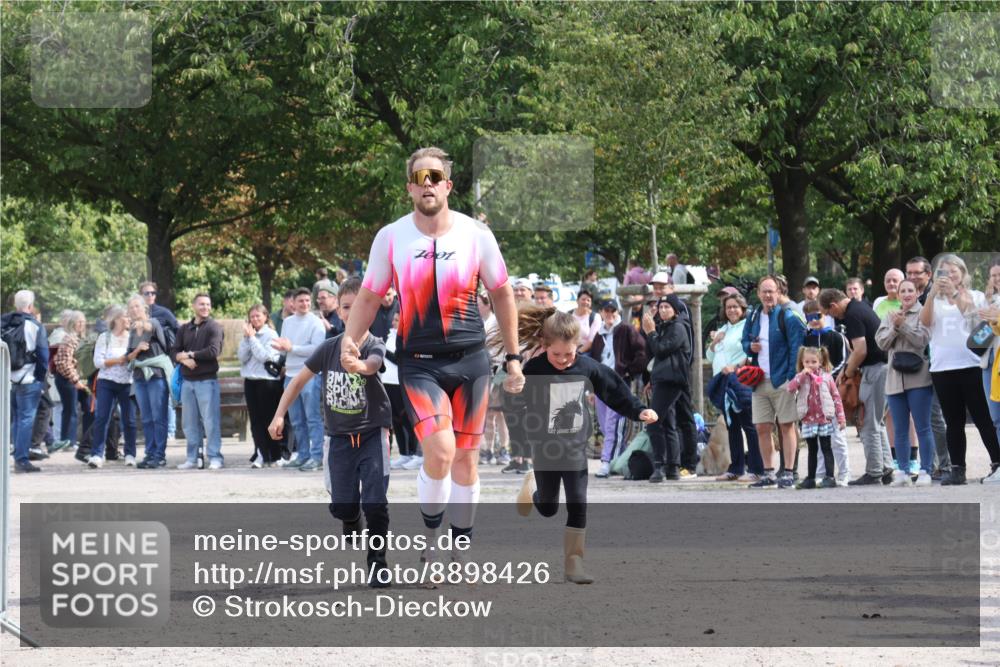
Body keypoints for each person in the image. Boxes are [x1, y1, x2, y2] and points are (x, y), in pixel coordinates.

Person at [342, 146, 524, 565]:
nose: (428, 185)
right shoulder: (391, 236)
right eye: (419, 179)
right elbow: (369, 296)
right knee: (440, 452)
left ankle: (460, 550)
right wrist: (349, 342)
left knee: (466, 462)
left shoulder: (476, 234)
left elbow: (501, 294)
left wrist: (513, 356)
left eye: (435, 178)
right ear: (409, 188)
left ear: (448, 186)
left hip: (471, 360)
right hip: (420, 362)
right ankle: (431, 541)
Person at [504, 307, 656, 583]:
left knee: (578, 502)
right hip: (545, 450)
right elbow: (516, 406)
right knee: (548, 508)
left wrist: (638, 410)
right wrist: (511, 392)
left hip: (574, 448)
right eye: (556, 354)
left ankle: (574, 562)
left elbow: (614, 390)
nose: (563, 360)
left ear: (578, 346)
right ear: (544, 345)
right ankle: (532, 489)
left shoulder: (587, 367)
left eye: (569, 354)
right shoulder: (534, 369)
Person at [268, 301, 393, 587]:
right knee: (342, 506)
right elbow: (297, 381)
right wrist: (279, 414)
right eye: (347, 306)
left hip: (372, 435)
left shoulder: (374, 344)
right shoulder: (328, 348)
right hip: (338, 439)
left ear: (370, 311)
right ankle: (351, 516)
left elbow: (374, 364)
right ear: (339, 312)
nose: (353, 312)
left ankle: (378, 563)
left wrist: (359, 365)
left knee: (375, 503)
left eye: (360, 305)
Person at [919, 254, 1000, 484]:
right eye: (944, 272)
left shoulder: (975, 296)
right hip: (942, 366)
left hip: (971, 364)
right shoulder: (934, 299)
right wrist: (931, 294)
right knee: (952, 421)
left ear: (963, 273)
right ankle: (957, 468)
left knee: (983, 418)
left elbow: (975, 321)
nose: (949, 276)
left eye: (953, 271)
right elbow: (925, 322)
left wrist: (954, 294)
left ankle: (997, 462)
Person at [819, 288, 893, 485]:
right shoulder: (860, 307)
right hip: (883, 367)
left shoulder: (852, 315)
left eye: (829, 313)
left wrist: (848, 373)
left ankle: (874, 472)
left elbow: (860, 350)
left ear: (833, 305)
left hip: (875, 369)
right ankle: (886, 468)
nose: (832, 317)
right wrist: (846, 369)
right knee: (878, 422)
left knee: (868, 422)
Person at [741, 275, 807, 489]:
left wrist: (791, 377)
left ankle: (788, 472)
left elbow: (797, 348)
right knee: (762, 427)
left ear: (779, 293)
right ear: (758, 293)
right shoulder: (753, 316)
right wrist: (750, 347)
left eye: (771, 291)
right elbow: (744, 340)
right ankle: (768, 473)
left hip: (782, 380)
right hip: (759, 380)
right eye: (764, 291)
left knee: (786, 425)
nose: (768, 295)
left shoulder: (787, 316)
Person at [875, 279, 935, 486]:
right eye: (903, 291)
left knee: (922, 427)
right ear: (898, 294)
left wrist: (903, 327)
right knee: (899, 429)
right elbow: (881, 343)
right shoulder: (889, 315)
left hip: (919, 379)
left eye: (911, 290)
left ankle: (926, 470)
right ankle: (902, 471)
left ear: (917, 293)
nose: (907, 294)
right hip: (894, 380)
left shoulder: (924, 313)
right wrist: (895, 327)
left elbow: (922, 340)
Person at [706, 293, 762, 482]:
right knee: (732, 426)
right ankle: (736, 468)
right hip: (722, 382)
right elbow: (710, 356)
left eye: (735, 307)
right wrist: (715, 342)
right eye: (728, 307)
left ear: (742, 308)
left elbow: (751, 353)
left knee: (748, 424)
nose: (731, 310)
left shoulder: (747, 327)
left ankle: (756, 469)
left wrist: (736, 367)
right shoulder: (724, 328)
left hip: (740, 381)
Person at [589, 299, 649, 477]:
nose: (609, 314)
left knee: (613, 425)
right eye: (606, 311)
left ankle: (607, 462)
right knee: (604, 425)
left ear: (618, 312)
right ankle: (619, 460)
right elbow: (593, 361)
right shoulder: (599, 335)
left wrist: (629, 372)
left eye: (612, 311)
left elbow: (642, 352)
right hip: (600, 384)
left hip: (618, 383)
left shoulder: (626, 329)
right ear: (601, 313)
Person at [906, 255, 951, 478]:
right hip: (919, 364)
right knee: (924, 418)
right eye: (909, 273)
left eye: (917, 273)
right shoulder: (910, 296)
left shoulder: (940, 294)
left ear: (929, 274)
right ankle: (931, 465)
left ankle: (946, 464)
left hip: (939, 362)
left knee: (936, 416)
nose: (913, 277)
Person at [273, 287, 326, 471]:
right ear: (293, 303)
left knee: (313, 418)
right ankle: (303, 455)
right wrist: (280, 348)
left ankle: (317, 456)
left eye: (307, 301)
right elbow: (285, 345)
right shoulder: (287, 322)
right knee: (296, 420)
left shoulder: (316, 322)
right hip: (290, 375)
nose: (305, 304)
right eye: (301, 301)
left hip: (309, 375)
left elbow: (317, 349)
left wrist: (292, 348)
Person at [801, 300, 852, 486]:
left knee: (837, 438)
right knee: (818, 439)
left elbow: (844, 361)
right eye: (809, 317)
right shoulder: (806, 339)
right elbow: (802, 364)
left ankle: (844, 473)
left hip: (831, 393)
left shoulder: (836, 337)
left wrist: (826, 378)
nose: (814, 320)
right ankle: (821, 474)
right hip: (813, 400)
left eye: (817, 315)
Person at [173, 293, 225, 470]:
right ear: (194, 306)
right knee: (189, 424)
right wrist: (183, 360)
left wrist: (190, 354)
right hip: (187, 382)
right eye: (202, 304)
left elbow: (213, 351)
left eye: (208, 304)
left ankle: (215, 457)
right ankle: (192, 458)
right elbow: (174, 351)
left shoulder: (214, 327)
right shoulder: (184, 328)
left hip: (207, 382)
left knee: (210, 422)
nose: (205, 307)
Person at [643, 295, 692, 482]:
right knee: (668, 423)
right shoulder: (664, 326)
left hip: (671, 380)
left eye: (667, 307)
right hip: (662, 379)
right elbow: (656, 356)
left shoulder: (678, 327)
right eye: (661, 307)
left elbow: (661, 349)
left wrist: (651, 332)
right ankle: (673, 467)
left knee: (652, 421)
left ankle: (659, 465)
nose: (663, 310)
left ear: (675, 310)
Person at [785, 347, 846, 489]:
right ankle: (811, 478)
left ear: (820, 362)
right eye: (807, 362)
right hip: (808, 419)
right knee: (812, 449)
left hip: (824, 418)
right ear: (802, 362)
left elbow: (836, 397)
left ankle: (830, 477)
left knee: (826, 447)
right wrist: (801, 375)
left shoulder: (827, 377)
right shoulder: (801, 377)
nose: (810, 365)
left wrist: (841, 418)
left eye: (813, 362)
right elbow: (790, 389)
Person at [88, 305, 138, 468]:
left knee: (129, 420)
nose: (129, 319)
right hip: (107, 382)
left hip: (128, 383)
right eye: (126, 316)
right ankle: (97, 454)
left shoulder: (133, 337)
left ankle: (130, 454)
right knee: (102, 417)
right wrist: (121, 360)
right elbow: (98, 362)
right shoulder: (105, 337)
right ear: (116, 319)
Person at [4, 290, 49, 473]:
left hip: (9, 379)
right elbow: (43, 356)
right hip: (29, 378)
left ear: (15, 305)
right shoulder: (35, 326)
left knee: (17, 419)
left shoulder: (5, 323)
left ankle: (17, 456)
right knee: (25, 420)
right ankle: (21, 460)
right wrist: (39, 379)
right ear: (30, 306)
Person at [126, 295, 171, 469]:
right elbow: (129, 356)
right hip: (139, 377)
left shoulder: (153, 323)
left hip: (156, 376)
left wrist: (142, 324)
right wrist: (137, 349)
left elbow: (151, 327)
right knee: (146, 419)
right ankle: (150, 453)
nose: (134, 310)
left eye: (137, 306)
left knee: (159, 417)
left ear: (144, 308)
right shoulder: (132, 331)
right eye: (131, 307)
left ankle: (160, 455)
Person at [239, 303, 285, 467]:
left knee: (269, 419)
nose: (255, 319)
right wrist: (247, 339)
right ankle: (261, 453)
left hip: (267, 382)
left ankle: (275, 454)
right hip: (250, 381)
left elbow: (265, 357)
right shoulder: (247, 335)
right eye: (252, 316)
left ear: (265, 317)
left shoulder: (271, 334)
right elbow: (242, 357)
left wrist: (252, 339)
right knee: (255, 420)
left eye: (258, 315)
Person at [140, 281, 180, 442]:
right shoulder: (135, 313)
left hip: (162, 362)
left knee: (166, 398)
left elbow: (178, 330)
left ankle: (170, 432)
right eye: (146, 293)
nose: (150, 296)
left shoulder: (163, 313)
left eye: (153, 293)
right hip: (141, 364)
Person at [385, 308, 423, 471]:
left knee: (407, 419)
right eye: (393, 319)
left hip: (400, 383)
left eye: (397, 320)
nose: (393, 322)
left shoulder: (408, 337)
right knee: (396, 420)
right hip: (387, 382)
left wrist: (383, 351)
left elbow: (399, 359)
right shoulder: (390, 335)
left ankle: (416, 453)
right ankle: (404, 453)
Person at [477, 291, 508, 467]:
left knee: (500, 414)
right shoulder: (476, 322)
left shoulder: (497, 322)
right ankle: (487, 449)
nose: (476, 307)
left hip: (499, 370)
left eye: (478, 304)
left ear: (488, 304)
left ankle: (503, 449)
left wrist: (502, 374)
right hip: (482, 371)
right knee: (487, 414)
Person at [52, 310, 88, 453]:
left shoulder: (79, 339)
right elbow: (63, 363)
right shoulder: (69, 339)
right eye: (79, 321)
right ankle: (68, 442)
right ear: (73, 323)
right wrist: (75, 380)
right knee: (70, 410)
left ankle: (82, 441)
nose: (81, 324)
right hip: (67, 380)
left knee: (86, 408)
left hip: (76, 379)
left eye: (83, 321)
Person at [980, 259, 1000, 455]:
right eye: (993, 275)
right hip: (989, 362)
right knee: (996, 417)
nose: (996, 278)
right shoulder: (989, 301)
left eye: (999, 274)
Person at [571, 288, 601, 355]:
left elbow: (591, 342)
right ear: (577, 301)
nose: (586, 302)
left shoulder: (595, 317)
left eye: (588, 300)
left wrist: (577, 353)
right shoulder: (569, 314)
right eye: (583, 299)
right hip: (568, 349)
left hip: (585, 351)